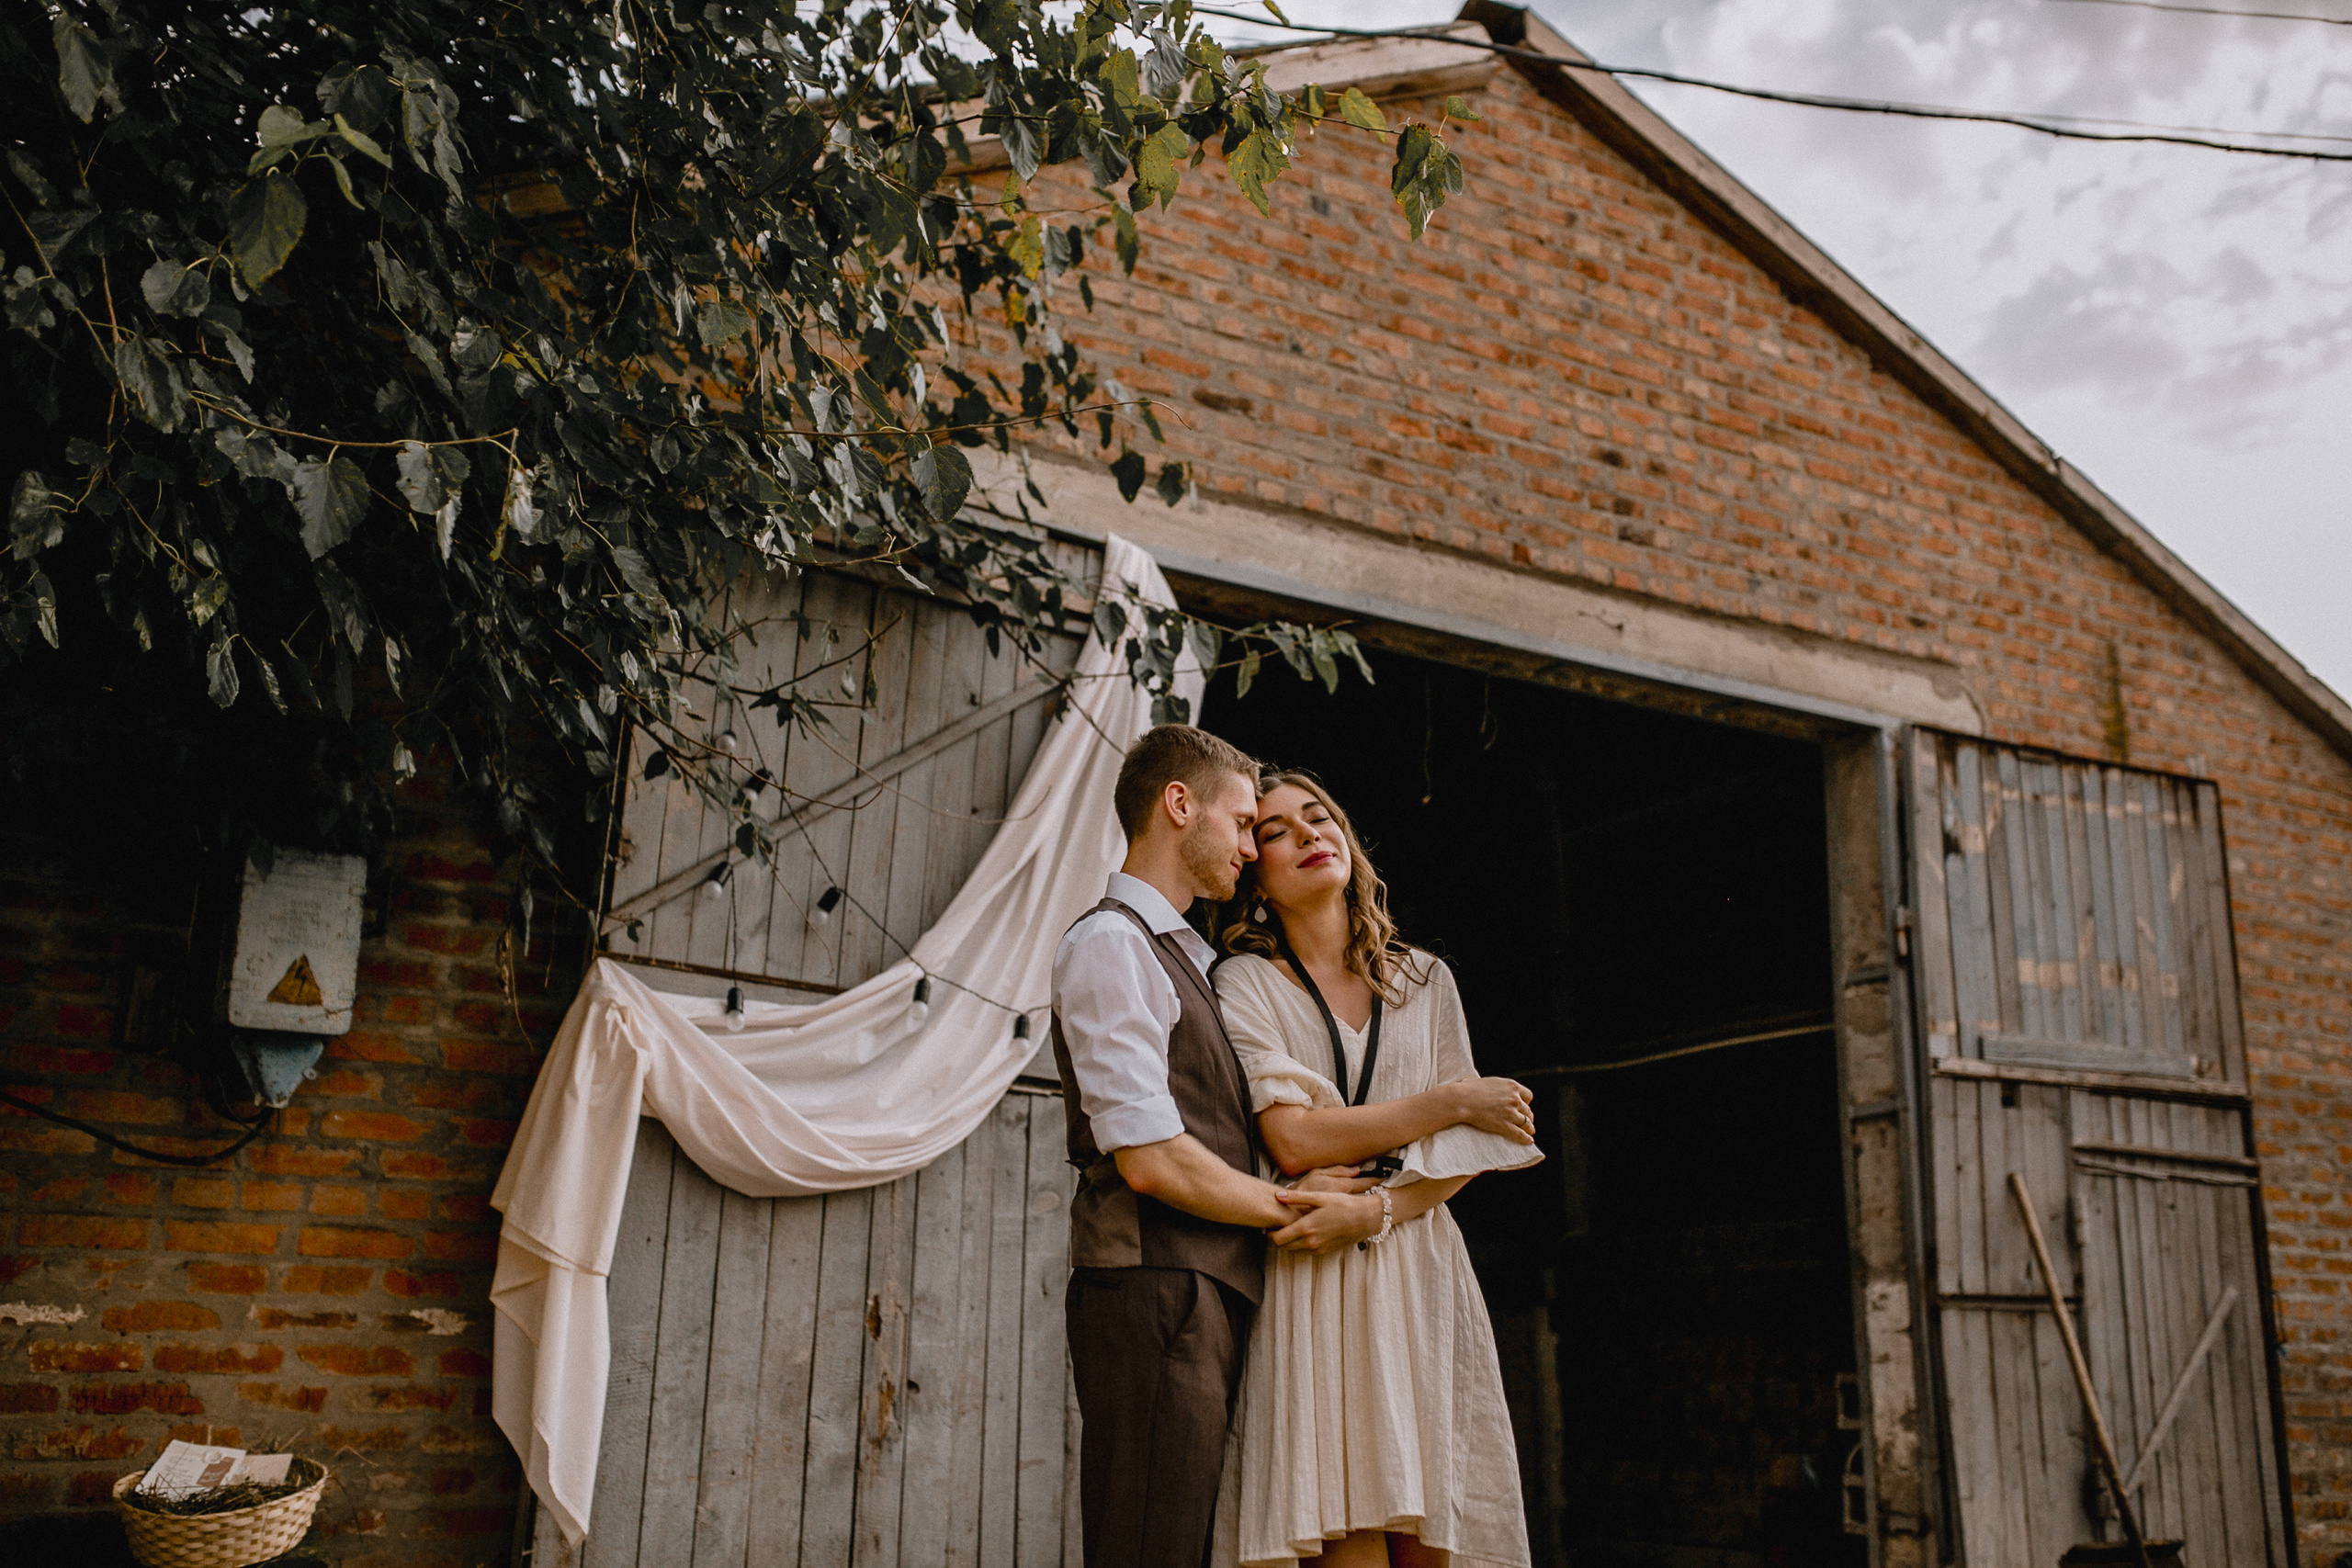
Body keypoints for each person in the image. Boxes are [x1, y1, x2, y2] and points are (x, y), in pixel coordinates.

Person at [1211, 771, 1543, 1568]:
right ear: (1255, 878)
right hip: (1314, 1280)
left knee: (1433, 1536)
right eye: (1277, 831)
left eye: (1318, 818)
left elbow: (1472, 1149)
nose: (1307, 835)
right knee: (1345, 1539)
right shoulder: (1244, 981)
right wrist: (1451, 1099)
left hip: (1419, 1271)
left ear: (1348, 842)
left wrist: (1379, 1209)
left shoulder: (1425, 980)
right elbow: (1294, 1139)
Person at [1051, 725, 1346, 1568]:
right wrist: (1298, 1206)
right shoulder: (1112, 943)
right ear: (1179, 805)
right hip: (1156, 1287)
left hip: (1200, 1288)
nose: (1252, 849)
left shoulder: (1188, 957)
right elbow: (1151, 1157)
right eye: (1245, 822)